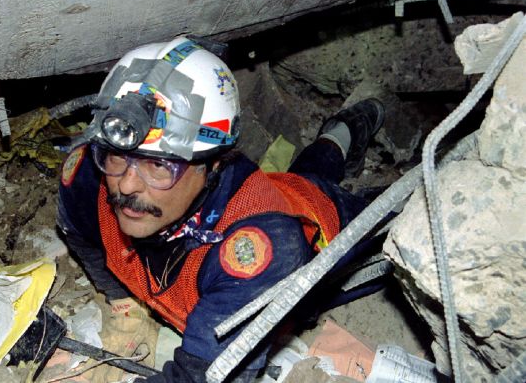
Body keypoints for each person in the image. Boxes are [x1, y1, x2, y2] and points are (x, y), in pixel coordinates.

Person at [57, 36, 384, 382]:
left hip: (320, 226)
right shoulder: (88, 177)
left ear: (213, 166)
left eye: (157, 166)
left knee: (387, 216)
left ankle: (355, 132)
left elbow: (205, 378)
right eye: (118, 155)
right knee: (306, 174)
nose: (125, 184)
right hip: (279, 189)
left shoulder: (262, 249)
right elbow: (81, 236)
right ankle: (340, 132)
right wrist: (122, 300)